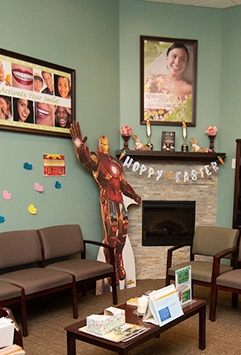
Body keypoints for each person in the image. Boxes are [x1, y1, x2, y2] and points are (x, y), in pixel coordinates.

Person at [71, 121, 142, 281]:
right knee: (111, 235)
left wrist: (134, 195)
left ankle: (119, 260)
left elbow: (123, 184)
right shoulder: (97, 159)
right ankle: (111, 267)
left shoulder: (116, 163)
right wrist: (79, 146)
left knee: (123, 233)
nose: (105, 145)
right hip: (108, 199)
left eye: (107, 143)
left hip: (119, 201)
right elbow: (86, 160)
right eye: (102, 143)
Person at [143, 42, 193, 121]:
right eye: (174, 56)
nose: (177, 62)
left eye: (183, 59)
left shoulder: (189, 89)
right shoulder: (152, 81)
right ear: (167, 59)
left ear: (186, 63)